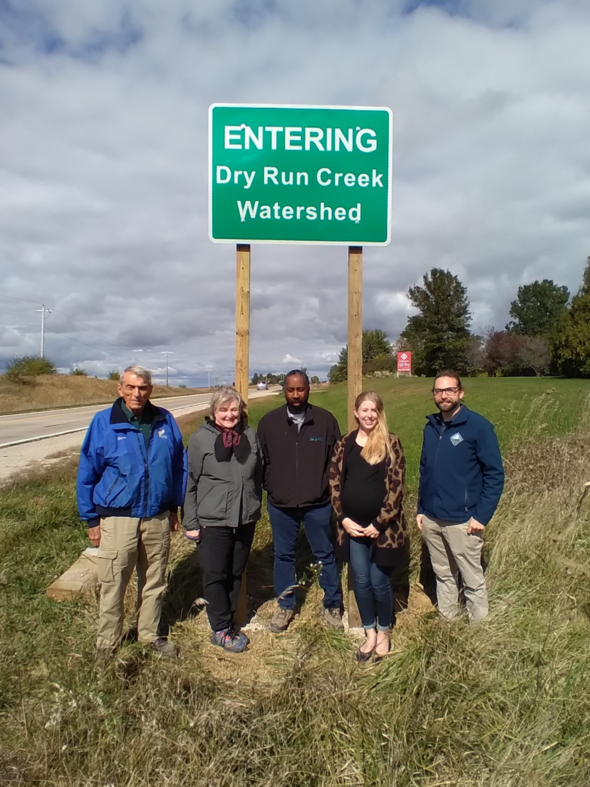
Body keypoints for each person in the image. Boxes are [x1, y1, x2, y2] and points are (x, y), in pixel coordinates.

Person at [77, 365, 187, 663]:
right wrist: (91, 519)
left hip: (157, 515)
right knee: (114, 581)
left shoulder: (165, 420)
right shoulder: (104, 423)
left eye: (143, 388)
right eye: (130, 387)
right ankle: (107, 643)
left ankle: (148, 635)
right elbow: (87, 472)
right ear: (120, 389)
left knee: (154, 579)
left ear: (151, 390)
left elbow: (178, 466)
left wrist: (174, 507)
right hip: (117, 517)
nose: (137, 393)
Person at [257, 370, 343, 632]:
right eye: (291, 389)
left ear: (309, 389)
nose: (296, 395)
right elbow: (263, 461)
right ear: (284, 390)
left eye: (301, 389)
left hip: (317, 504)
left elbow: (336, 460)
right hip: (281, 506)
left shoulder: (325, 421)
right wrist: (271, 485)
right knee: (283, 556)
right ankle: (285, 606)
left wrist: (326, 490)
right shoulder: (269, 423)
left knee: (325, 554)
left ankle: (332, 604)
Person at [417, 371, 504, 622]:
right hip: (432, 519)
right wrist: (421, 508)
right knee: (443, 575)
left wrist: (481, 515)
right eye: (438, 391)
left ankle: (479, 631)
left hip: (463, 520)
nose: (443, 395)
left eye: (449, 390)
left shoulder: (478, 427)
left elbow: (494, 474)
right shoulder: (431, 427)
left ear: (460, 393)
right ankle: (449, 623)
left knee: (471, 578)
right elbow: (425, 470)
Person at [183, 387, 262, 653]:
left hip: (244, 518)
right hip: (212, 520)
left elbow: (257, 474)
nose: (229, 414)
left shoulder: (250, 436)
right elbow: (191, 482)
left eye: (233, 409)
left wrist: (254, 504)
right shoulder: (200, 440)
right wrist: (191, 522)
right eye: (223, 410)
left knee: (235, 572)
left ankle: (229, 623)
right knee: (216, 575)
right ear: (213, 412)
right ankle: (220, 629)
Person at [329, 391, 406, 662]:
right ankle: (369, 632)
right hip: (353, 527)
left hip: (383, 529)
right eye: (364, 410)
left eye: (374, 410)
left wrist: (379, 522)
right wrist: (343, 519)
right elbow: (335, 483)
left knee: (378, 581)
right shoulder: (345, 443)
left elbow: (397, 487)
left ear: (379, 412)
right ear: (356, 412)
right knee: (360, 581)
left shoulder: (391, 442)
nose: (369, 415)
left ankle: (384, 632)